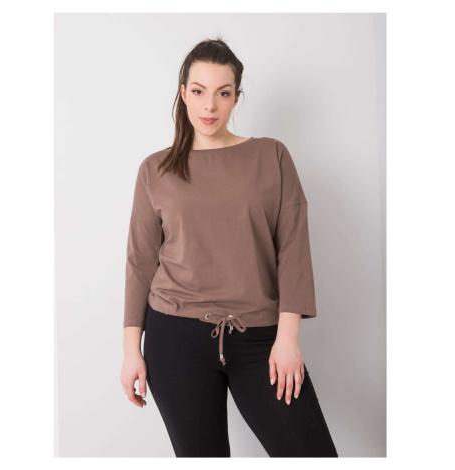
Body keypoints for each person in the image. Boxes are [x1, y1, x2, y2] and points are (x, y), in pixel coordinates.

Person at [120, 37, 338, 458]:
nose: (209, 105)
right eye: (198, 91)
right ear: (183, 92)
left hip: (260, 339)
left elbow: (293, 249)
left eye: (223, 93)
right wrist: (132, 351)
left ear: (237, 97)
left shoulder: (271, 156)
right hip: (175, 340)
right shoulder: (155, 169)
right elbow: (140, 263)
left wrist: (287, 339)